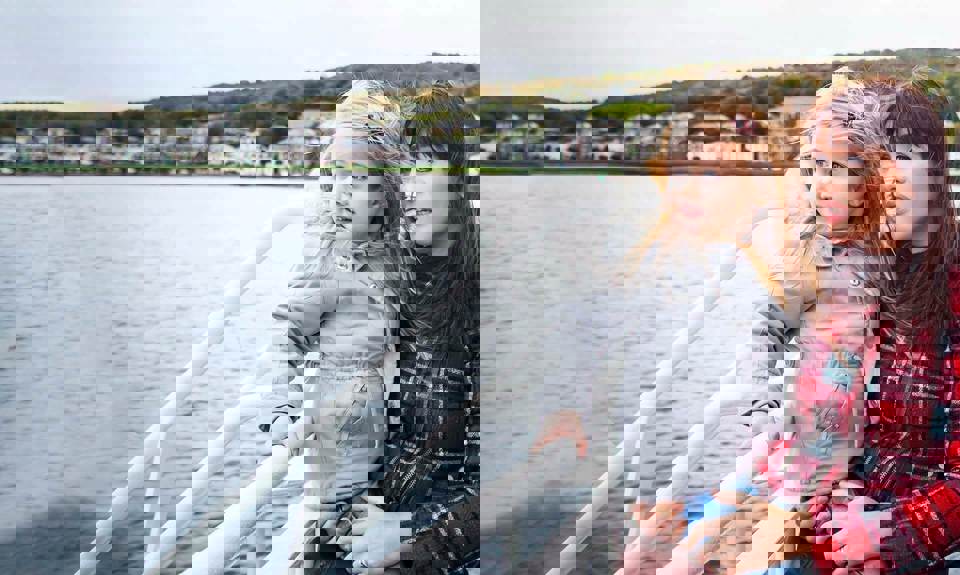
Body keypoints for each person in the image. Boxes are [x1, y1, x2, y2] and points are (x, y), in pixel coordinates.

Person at [259, 80, 479, 575]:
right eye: (399, 170)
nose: (412, 187)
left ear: (461, 177)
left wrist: (418, 541)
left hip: (438, 535)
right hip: (375, 500)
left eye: (426, 168)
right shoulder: (388, 272)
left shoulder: (480, 291)